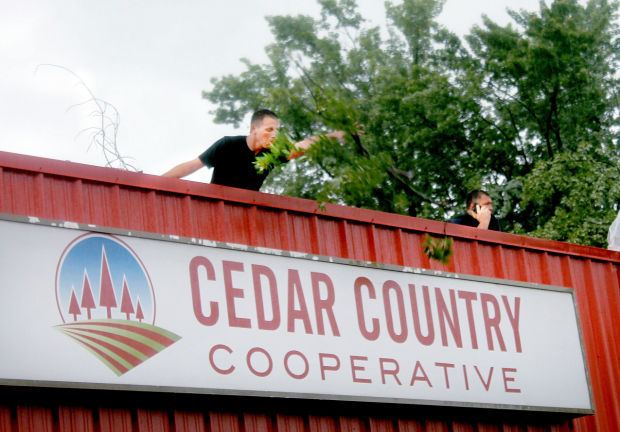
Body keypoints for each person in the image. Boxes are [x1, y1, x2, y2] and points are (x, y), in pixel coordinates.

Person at [162, 109, 345, 191]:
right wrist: (157, 182)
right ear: (253, 129)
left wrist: (335, 135)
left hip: (246, 212)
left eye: (277, 131)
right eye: (269, 130)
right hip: (216, 206)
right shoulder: (228, 145)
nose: (274, 135)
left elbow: (303, 145)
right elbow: (192, 165)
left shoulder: (272, 153)